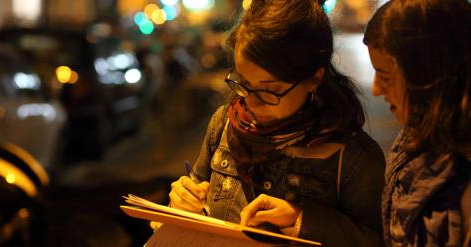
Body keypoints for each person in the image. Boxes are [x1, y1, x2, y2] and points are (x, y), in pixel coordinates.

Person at [168, 0, 386, 246]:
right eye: (244, 83)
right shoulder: (224, 124)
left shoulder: (353, 158)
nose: (250, 103)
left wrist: (303, 219)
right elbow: (196, 192)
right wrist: (183, 201)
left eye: (269, 91)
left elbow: (377, 241)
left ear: (314, 79)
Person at [363, 0, 471, 246]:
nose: (376, 89)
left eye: (384, 75)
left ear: (426, 73)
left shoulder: (461, 181)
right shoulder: (416, 138)